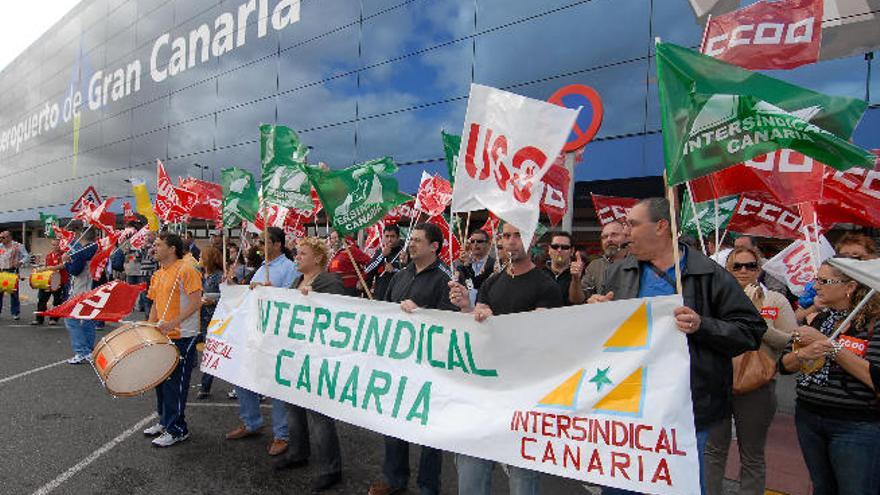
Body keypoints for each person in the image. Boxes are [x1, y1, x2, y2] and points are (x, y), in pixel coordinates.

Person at [588, 198, 766, 494]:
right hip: (627, 408)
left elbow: (751, 331)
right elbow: (606, 336)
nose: (624, 231)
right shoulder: (621, 272)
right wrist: (595, 312)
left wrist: (703, 325)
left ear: (661, 227)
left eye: (632, 224)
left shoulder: (710, 275)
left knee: (676, 485)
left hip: (686, 410)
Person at [448, 222, 564, 495]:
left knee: (523, 481)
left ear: (532, 237)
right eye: (507, 236)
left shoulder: (547, 286)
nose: (512, 242)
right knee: (471, 475)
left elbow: (543, 342)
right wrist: (468, 309)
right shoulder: (491, 283)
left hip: (525, 395)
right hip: (487, 392)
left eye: (518, 235)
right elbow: (481, 334)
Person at [368, 222, 458, 495]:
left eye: (418, 240)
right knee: (394, 420)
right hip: (398, 362)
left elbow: (451, 321)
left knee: (428, 430)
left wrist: (421, 313)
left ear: (434, 246)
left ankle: (428, 486)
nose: (412, 244)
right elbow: (385, 307)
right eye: (412, 239)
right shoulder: (400, 275)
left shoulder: (446, 278)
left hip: (430, 366)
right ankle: (394, 478)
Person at [778, 259, 880, 494]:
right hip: (809, 417)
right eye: (816, 280)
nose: (816, 286)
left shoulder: (873, 324)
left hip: (855, 425)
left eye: (824, 281)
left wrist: (831, 348)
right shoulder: (820, 319)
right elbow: (784, 364)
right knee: (822, 487)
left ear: (850, 286)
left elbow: (874, 377)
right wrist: (803, 353)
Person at [704, 246, 797, 495]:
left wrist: (758, 322)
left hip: (758, 384)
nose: (744, 271)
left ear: (759, 269)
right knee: (713, 451)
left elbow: (791, 341)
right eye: (737, 266)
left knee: (752, 454)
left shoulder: (775, 300)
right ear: (727, 269)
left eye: (751, 265)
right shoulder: (714, 298)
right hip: (718, 382)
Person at [273, 236, 345, 492]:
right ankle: (297, 452)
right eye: (298, 253)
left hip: (317, 357)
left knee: (319, 414)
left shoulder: (329, 281)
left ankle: (331, 468)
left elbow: (339, 312)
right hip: (296, 354)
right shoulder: (296, 281)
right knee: (293, 406)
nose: (298, 257)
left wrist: (313, 298)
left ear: (317, 258)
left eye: (303, 253)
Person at [226, 227, 298, 457]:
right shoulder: (262, 268)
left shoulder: (289, 268)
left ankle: (282, 434)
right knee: (243, 376)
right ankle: (251, 422)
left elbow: (294, 299)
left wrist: (272, 292)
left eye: (265, 242)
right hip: (254, 331)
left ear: (277, 244)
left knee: (275, 384)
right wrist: (235, 285)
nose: (260, 246)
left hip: (276, 335)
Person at [141, 232, 203, 447]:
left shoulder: (186, 269)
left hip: (183, 336)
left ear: (172, 249)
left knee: (175, 384)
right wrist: (150, 327)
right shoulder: (158, 273)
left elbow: (196, 302)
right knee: (160, 380)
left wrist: (173, 323)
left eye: (158, 245)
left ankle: (177, 429)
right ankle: (165, 421)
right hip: (163, 334)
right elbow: (156, 305)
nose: (153, 248)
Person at [60, 227, 98, 364]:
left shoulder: (82, 251)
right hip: (94, 287)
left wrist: (66, 261)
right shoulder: (97, 248)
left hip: (82, 288)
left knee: (70, 318)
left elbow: (75, 270)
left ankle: (82, 351)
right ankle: (88, 350)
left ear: (81, 236)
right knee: (88, 319)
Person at [572, 221, 629, 303]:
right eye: (605, 237)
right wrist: (575, 279)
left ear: (626, 237)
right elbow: (578, 299)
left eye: (614, 235)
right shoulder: (594, 266)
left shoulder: (639, 261)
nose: (609, 239)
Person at [196, 246, 223, 400]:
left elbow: (228, 296)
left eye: (202, 255)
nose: (199, 257)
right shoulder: (200, 274)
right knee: (208, 351)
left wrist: (213, 300)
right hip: (202, 318)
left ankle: (205, 386)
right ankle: (205, 385)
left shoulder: (220, 276)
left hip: (216, 319)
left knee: (212, 352)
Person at [31, 238, 69, 326]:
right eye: (53, 245)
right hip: (48, 281)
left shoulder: (64, 254)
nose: (55, 247)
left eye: (57, 245)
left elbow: (63, 266)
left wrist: (49, 268)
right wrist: (40, 270)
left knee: (57, 301)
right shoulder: (49, 255)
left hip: (59, 281)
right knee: (42, 299)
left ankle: (53, 319)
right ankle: (39, 319)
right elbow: (46, 266)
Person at [542, 231, 581, 305]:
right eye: (555, 247)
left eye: (564, 247)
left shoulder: (581, 274)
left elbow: (578, 301)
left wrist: (575, 278)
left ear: (572, 251)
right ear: (549, 250)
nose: (559, 250)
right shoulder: (539, 274)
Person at [327, 230, 371, 296]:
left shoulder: (351, 250)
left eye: (337, 237)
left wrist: (362, 279)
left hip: (349, 290)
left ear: (343, 238)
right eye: (333, 238)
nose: (336, 240)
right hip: (336, 289)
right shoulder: (333, 254)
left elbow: (370, 262)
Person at [368, 224, 404, 301]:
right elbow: (368, 270)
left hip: (396, 295)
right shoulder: (380, 251)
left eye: (392, 236)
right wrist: (382, 256)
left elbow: (409, 273)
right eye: (387, 236)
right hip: (380, 294)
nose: (389, 239)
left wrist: (394, 270)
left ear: (398, 237)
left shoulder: (404, 252)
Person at [0, 230, 29, 320]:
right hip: (1, 272)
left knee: (14, 293)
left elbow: (26, 256)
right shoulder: (0, 246)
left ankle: (15, 313)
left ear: (9, 237)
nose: (1, 239)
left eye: (3, 237)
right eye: (0, 237)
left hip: (12, 271)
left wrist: (20, 262)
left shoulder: (17, 246)